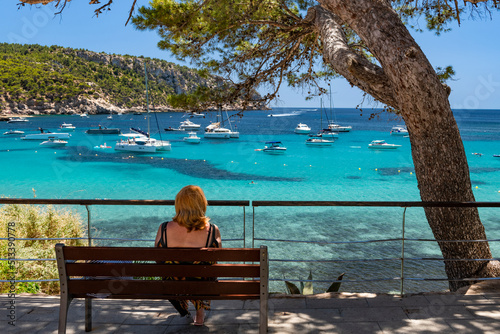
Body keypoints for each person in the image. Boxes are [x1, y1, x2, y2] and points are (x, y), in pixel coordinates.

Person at [154, 185, 222, 326]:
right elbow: (216, 260)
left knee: (170, 272)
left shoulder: (164, 228)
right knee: (204, 271)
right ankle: (200, 311)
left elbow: (158, 260)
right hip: (201, 285)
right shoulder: (213, 230)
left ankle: (183, 309)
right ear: (202, 204)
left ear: (178, 204)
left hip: (172, 286)